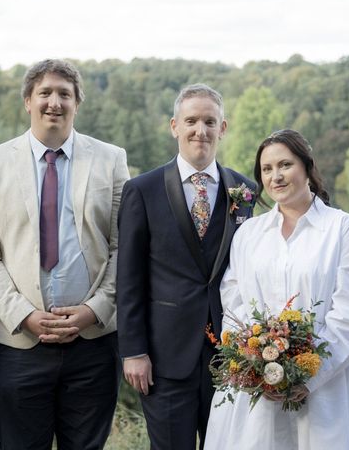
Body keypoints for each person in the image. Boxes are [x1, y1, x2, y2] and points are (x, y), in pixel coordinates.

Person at [0, 59, 129, 450]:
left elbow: (123, 246)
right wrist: (24, 316)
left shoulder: (110, 159)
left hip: (93, 341)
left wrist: (95, 310)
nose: (54, 102)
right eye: (45, 93)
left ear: (77, 103)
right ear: (28, 101)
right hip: (21, 343)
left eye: (64, 94)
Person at [204, 129, 349, 450]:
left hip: (330, 387)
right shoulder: (249, 235)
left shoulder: (341, 229)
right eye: (267, 169)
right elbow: (233, 304)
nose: (276, 176)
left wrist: (307, 375)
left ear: (306, 167)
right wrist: (254, 363)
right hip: (259, 388)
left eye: (285, 165)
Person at [116, 83, 256, 449]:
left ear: (222, 128)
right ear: (174, 126)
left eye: (210, 122)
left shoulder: (244, 190)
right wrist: (134, 351)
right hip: (164, 358)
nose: (200, 130)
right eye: (191, 121)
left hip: (229, 358)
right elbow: (128, 278)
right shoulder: (142, 190)